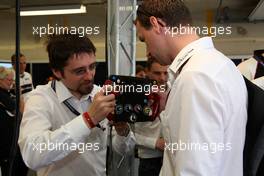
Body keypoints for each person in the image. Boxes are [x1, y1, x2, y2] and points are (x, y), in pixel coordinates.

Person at [135, 0, 247, 175]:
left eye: (144, 40)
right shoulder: (220, 64)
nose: (147, 52)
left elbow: (195, 170)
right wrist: (170, 105)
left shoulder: (195, 76)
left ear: (157, 24)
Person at [18, 34, 135, 176]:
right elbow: (32, 155)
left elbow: (124, 150)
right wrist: (88, 120)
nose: (89, 76)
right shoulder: (40, 99)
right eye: (79, 71)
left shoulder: (101, 95)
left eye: (92, 67)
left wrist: (123, 131)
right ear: (57, 72)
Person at [134, 58, 169, 176]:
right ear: (147, 72)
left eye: (166, 73)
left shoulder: (176, 91)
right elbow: (127, 134)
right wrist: (154, 143)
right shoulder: (136, 95)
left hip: (172, 157)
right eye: (157, 73)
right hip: (148, 160)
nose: (162, 78)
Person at [0, 67, 27, 176]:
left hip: (10, 142)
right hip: (7, 145)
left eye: (12, 80)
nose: (11, 83)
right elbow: (21, 112)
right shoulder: (2, 95)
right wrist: (19, 94)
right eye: (9, 80)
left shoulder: (7, 93)